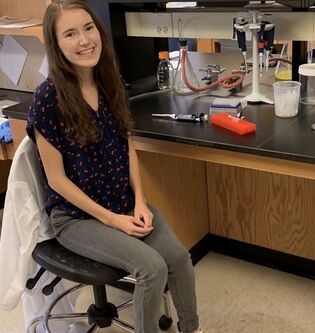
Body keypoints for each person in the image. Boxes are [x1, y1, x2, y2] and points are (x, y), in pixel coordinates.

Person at [26, 1, 203, 332]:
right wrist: (113, 221)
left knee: (178, 259)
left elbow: (128, 147)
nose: (84, 40)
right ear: (56, 44)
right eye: (70, 33)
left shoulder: (110, 82)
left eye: (89, 28)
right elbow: (57, 180)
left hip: (122, 201)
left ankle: (192, 328)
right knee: (152, 268)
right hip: (77, 218)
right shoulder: (47, 99)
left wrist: (139, 201)